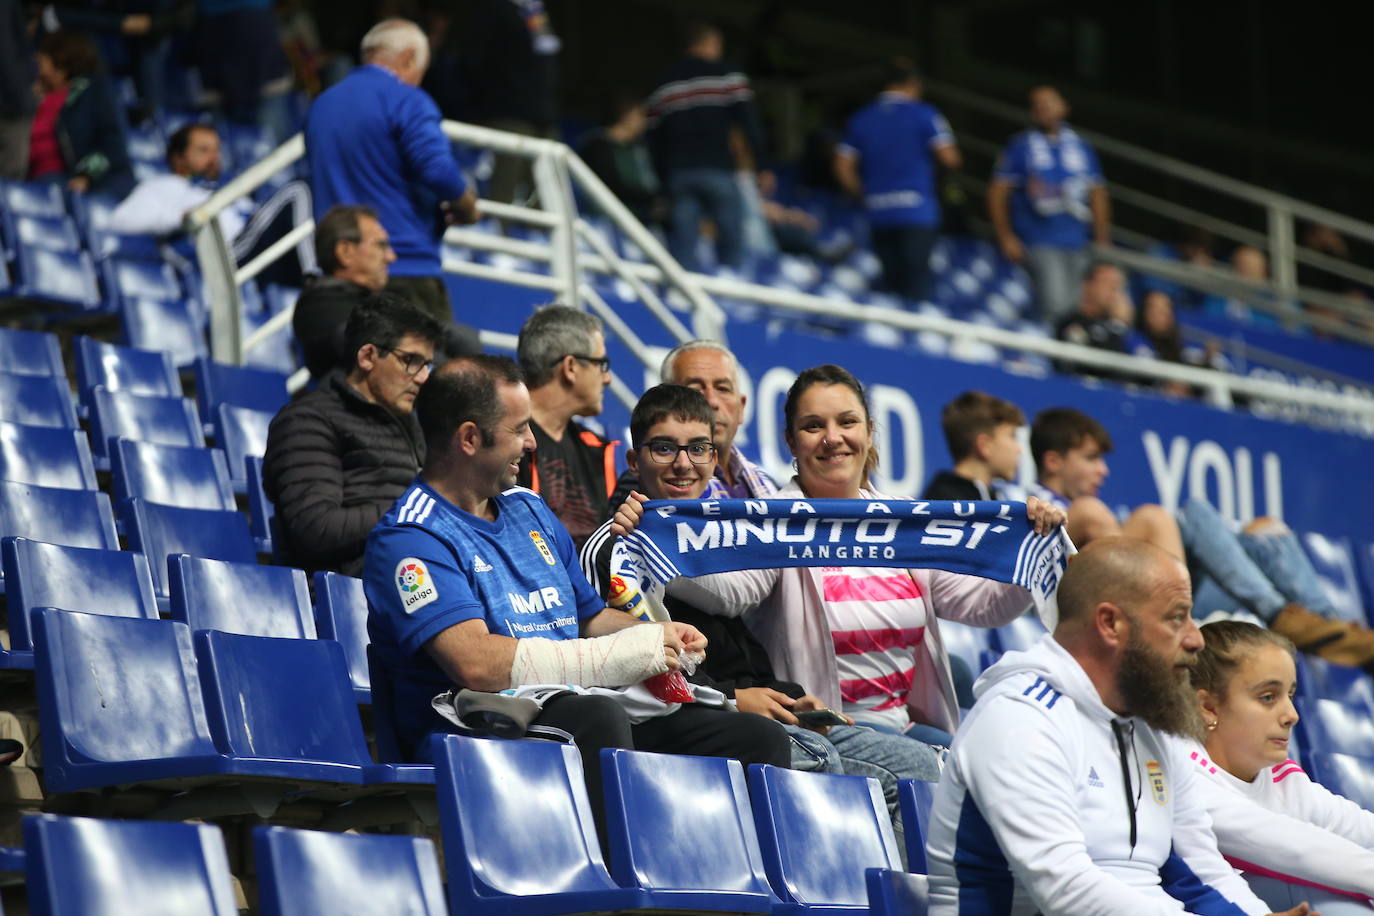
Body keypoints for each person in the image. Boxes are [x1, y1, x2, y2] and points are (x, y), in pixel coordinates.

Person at [362, 355, 790, 821]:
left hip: (572, 709)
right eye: (519, 429)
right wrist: (611, 659)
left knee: (753, 738)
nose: (531, 442)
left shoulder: (529, 509)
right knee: (596, 719)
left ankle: (721, 885)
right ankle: (610, 886)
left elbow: (590, 619)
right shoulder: (410, 539)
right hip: (475, 730)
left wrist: (654, 637)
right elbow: (476, 664)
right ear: (469, 438)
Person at [580, 383, 942, 850]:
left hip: (764, 709)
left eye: (697, 449)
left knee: (927, 768)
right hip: (689, 717)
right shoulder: (621, 543)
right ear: (635, 461)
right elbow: (634, 671)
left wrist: (793, 698)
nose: (683, 463)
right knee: (818, 759)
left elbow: (738, 638)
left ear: (715, 458)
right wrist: (733, 699)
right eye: (665, 448)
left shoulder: (720, 537)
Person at [668, 364, 1064, 748]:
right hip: (825, 729)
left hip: (906, 726)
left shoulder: (904, 518)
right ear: (791, 441)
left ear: (870, 432)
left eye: (847, 422)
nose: (832, 437)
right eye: (813, 426)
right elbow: (731, 591)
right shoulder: (777, 520)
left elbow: (981, 607)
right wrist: (659, 549)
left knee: (983, 768)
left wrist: (1033, 555)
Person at [926, 538, 1298, 915]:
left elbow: (1201, 873)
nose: (1195, 637)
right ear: (1110, 624)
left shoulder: (1154, 727)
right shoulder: (1019, 719)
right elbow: (1066, 891)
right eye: (1176, 617)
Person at [1029, 406, 1374, 669]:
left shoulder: (1089, 510)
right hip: (1139, 611)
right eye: (1091, 459)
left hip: (1163, 593)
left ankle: (1329, 627)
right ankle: (1293, 620)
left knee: (1265, 530)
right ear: (1054, 461)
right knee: (1174, 513)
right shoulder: (1038, 507)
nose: (1103, 469)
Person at [1187, 620, 1374, 913]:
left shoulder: (1280, 777)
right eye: (1267, 697)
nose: (1291, 715)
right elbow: (1297, 850)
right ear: (1209, 707)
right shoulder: (1183, 776)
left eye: (1289, 695)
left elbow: (1360, 828)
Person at [306, 18, 479, 324]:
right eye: (420, 72)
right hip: (404, 267)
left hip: (340, 273)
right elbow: (437, 169)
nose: (418, 81)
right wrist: (467, 205)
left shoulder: (322, 104)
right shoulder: (407, 99)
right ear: (409, 58)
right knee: (426, 368)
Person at [262, 292, 441, 577]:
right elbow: (317, 530)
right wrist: (418, 507)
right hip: (343, 595)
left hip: (408, 577)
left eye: (427, 364)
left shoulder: (408, 420)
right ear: (367, 356)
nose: (422, 377)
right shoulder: (307, 421)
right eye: (411, 361)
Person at [109, 123, 315, 287]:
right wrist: (182, 218)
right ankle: (315, 277)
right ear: (178, 157)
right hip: (224, 255)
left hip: (251, 247)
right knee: (297, 190)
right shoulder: (162, 186)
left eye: (216, 150)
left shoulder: (217, 185)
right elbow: (121, 220)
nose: (214, 157)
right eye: (203, 151)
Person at [646, 20, 770, 272]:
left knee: (684, 244)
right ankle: (732, 286)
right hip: (717, 169)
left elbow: (653, 141)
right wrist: (763, 166)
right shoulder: (726, 75)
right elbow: (749, 123)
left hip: (678, 175)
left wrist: (662, 181)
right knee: (732, 239)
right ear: (708, 44)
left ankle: (684, 295)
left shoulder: (662, 85)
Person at [833, 60, 961, 304]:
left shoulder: (862, 118)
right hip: (917, 212)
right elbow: (950, 158)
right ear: (914, 83)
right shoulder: (925, 114)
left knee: (891, 288)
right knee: (916, 290)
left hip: (879, 211)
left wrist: (861, 193)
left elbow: (841, 165)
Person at [988, 85, 1110, 323]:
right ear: (1032, 112)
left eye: (1050, 102)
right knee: (1055, 304)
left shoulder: (1082, 146)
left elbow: (1097, 193)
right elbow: (997, 192)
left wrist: (1101, 237)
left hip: (1078, 240)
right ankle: (1051, 357)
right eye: (1038, 105)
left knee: (1077, 308)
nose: (1044, 109)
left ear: (1065, 107)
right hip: (1039, 239)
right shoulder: (1019, 146)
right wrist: (1005, 236)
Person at [608, 339, 776, 510]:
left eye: (722, 388)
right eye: (695, 390)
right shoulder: (640, 486)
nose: (711, 401)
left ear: (741, 407)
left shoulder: (768, 485)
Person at [514, 306, 617, 549]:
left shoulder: (596, 447)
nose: (608, 377)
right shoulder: (504, 439)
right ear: (570, 367)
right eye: (601, 364)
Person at [455, 0, 559, 204]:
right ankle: (499, 231)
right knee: (505, 188)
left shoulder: (535, 11)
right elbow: (473, 62)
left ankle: (537, 235)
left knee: (546, 192)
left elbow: (545, 60)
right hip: (508, 115)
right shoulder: (493, 10)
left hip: (542, 116)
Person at [27, 30, 134, 197]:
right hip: (32, 177)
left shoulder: (92, 93)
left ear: (60, 66)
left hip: (72, 178)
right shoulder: (31, 95)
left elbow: (112, 145)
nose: (36, 68)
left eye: (41, 63)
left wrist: (86, 176)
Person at [922, 390, 1025, 502]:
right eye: (1012, 436)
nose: (1019, 449)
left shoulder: (997, 498)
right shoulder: (945, 505)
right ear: (985, 445)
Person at [577, 92, 661, 226]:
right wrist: (649, 198)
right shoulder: (597, 145)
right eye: (641, 115)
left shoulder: (638, 148)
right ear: (627, 115)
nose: (645, 122)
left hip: (641, 220)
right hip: (606, 221)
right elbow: (609, 184)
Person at [0, 0, 34, 181]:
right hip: (10, 109)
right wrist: (21, 97)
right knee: (9, 183)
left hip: (11, 104)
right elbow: (6, 52)